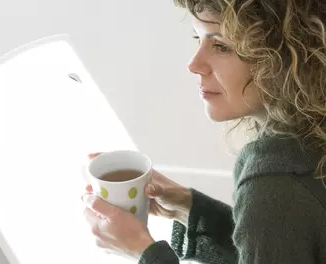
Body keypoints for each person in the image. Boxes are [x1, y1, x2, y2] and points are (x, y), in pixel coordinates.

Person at [81, 0, 326, 263]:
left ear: (288, 56)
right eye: (198, 38)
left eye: (221, 46)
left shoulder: (276, 187)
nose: (194, 64)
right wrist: (188, 209)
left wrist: (144, 252)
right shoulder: (308, 141)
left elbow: (276, 221)